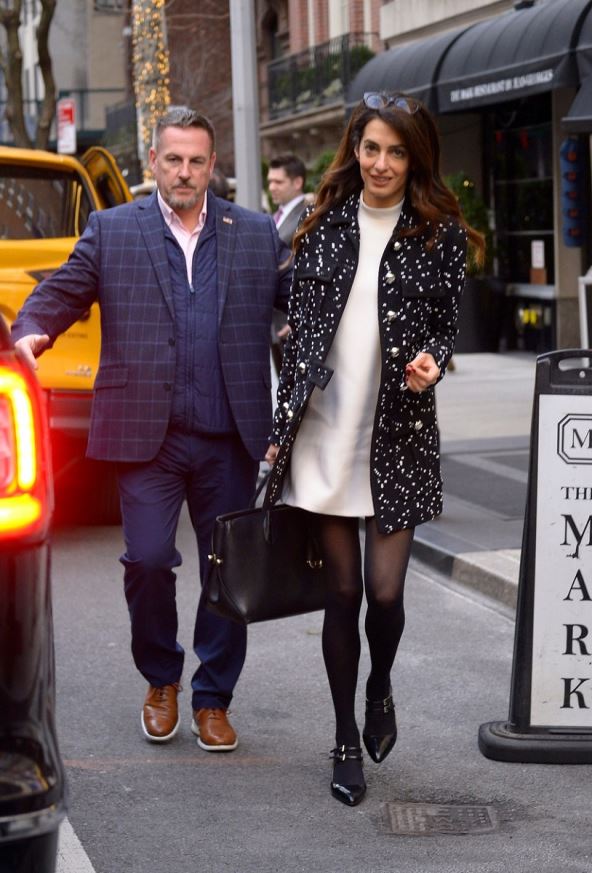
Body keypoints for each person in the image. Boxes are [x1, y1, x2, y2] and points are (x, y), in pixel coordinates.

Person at [12, 106, 291, 752]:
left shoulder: (253, 232)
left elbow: (304, 302)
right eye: (173, 160)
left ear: (212, 165)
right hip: (147, 434)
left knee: (227, 571)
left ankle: (213, 697)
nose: (184, 172)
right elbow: (64, 289)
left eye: (196, 161)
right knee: (146, 559)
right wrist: (30, 331)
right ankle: (161, 678)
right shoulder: (113, 229)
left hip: (229, 431)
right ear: (153, 163)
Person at [264, 92, 484, 806]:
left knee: (385, 595)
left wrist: (432, 361)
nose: (381, 163)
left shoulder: (439, 235)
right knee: (343, 592)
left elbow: (445, 326)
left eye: (396, 151)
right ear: (354, 151)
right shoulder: (321, 224)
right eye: (371, 149)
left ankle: (379, 685)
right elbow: (297, 333)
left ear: (415, 159)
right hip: (325, 434)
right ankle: (342, 738)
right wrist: (279, 429)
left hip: (398, 435)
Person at [267, 155, 308, 372]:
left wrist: (302, 317)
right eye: (270, 181)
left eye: (278, 182)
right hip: (275, 323)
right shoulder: (275, 217)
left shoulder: (309, 216)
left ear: (297, 182)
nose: (272, 187)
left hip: (294, 322)